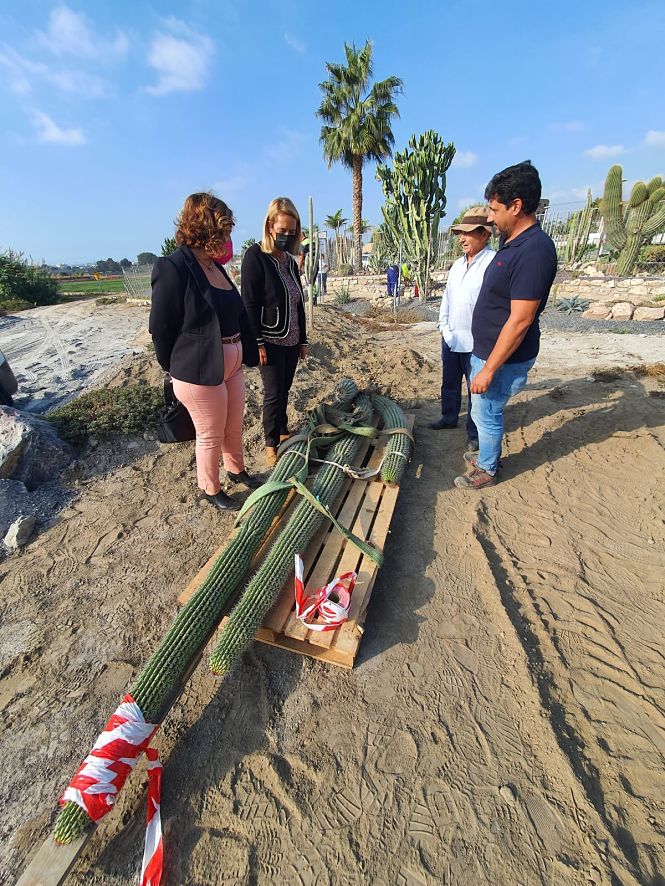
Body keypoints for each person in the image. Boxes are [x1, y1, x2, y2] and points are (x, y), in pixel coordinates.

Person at [149, 192, 261, 512]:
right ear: (207, 226)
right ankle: (210, 488)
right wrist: (174, 366)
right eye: (224, 229)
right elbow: (161, 327)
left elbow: (234, 311)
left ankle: (237, 470)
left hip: (230, 366)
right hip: (199, 370)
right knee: (210, 433)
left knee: (233, 425)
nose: (228, 237)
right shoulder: (173, 267)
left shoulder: (214, 266)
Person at [454, 162, 557, 489]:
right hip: (487, 351)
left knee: (487, 412)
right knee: (481, 411)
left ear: (517, 206)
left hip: (502, 358)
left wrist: (488, 369)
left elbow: (521, 319)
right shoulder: (514, 243)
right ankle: (486, 454)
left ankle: (487, 468)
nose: (490, 217)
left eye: (494, 210)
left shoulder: (535, 251)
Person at [241, 197, 308, 467]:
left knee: (285, 389)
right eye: (282, 230)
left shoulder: (290, 262)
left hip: (291, 338)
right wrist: (256, 342)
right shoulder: (255, 256)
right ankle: (270, 444)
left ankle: (282, 429)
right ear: (270, 226)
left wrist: (303, 339)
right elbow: (249, 303)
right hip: (269, 339)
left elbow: (298, 302)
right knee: (272, 393)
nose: (287, 236)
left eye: (292, 231)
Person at [429, 206, 495, 451]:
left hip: (477, 342)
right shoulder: (457, 265)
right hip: (452, 336)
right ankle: (448, 417)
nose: (462, 239)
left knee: (475, 390)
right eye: (460, 234)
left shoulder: (492, 264)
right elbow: (447, 298)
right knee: (449, 382)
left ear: (484, 234)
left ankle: (474, 433)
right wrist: (443, 326)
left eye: (468, 233)